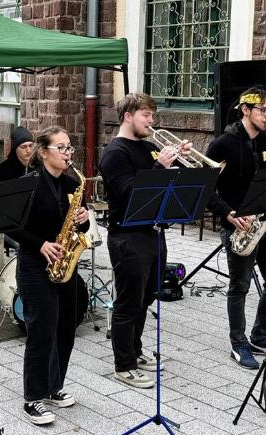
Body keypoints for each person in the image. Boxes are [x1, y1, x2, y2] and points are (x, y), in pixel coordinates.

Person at [98, 92, 192, 388]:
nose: (152, 122)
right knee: (128, 303)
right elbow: (129, 193)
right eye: (146, 116)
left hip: (153, 232)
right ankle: (123, 365)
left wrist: (181, 161)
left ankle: (136, 351)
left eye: (153, 116)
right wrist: (158, 167)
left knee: (147, 296)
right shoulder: (115, 153)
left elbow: (169, 185)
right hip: (127, 236)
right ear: (128, 116)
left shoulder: (149, 147)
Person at [7, 126, 90, 425]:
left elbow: (80, 225)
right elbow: (10, 225)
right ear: (43, 152)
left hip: (65, 263)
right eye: (62, 148)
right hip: (34, 265)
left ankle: (54, 386)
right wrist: (40, 244)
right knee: (41, 331)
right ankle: (32, 398)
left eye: (70, 148)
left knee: (65, 327)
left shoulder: (71, 182)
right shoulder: (27, 184)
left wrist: (84, 218)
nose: (68, 154)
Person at [205, 88, 266, 370]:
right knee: (239, 286)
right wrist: (229, 215)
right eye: (263, 110)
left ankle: (260, 336)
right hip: (239, 224)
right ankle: (238, 343)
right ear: (245, 110)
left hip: (265, 222)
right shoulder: (222, 144)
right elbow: (205, 189)